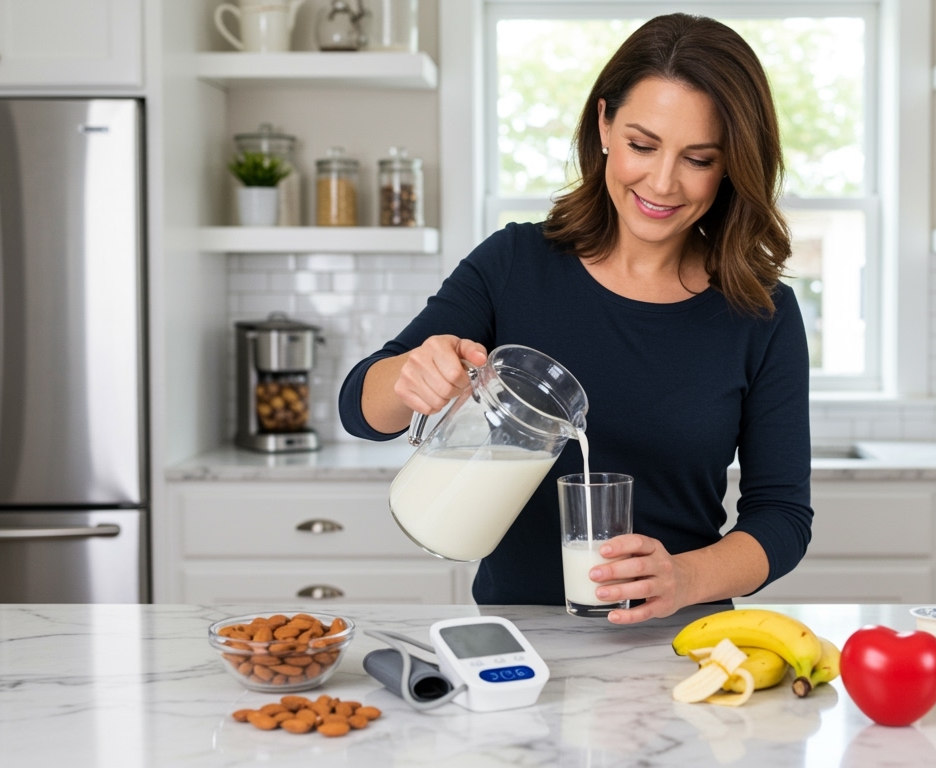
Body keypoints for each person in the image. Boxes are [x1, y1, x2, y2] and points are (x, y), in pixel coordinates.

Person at [340, 13, 812, 624]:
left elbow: (781, 518)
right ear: (604, 124)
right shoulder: (515, 263)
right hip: (518, 636)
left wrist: (685, 576)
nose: (663, 182)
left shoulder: (761, 313)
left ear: (731, 166)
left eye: (698, 158)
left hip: (682, 640)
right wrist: (411, 373)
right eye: (643, 145)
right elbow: (360, 407)